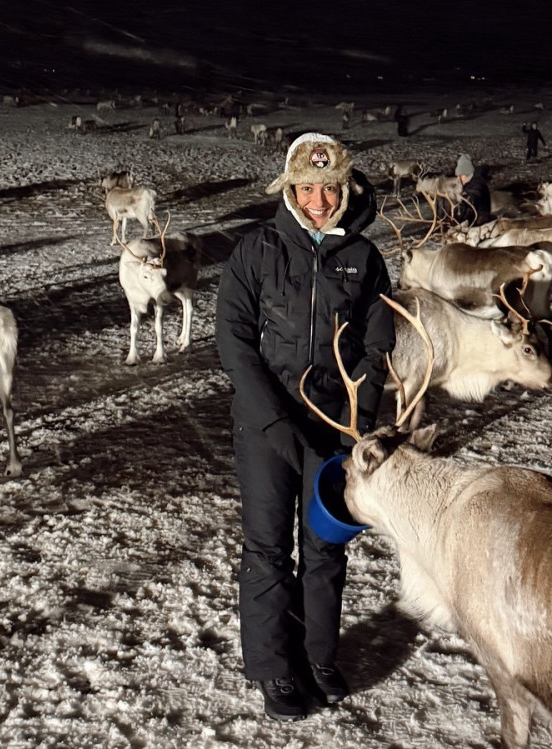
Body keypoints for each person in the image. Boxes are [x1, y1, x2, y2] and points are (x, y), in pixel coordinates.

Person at [216, 133, 396, 722]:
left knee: (326, 547)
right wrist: (271, 419)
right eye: (307, 188)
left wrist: (357, 419)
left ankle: (317, 658)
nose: (319, 200)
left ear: (345, 189)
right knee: (268, 549)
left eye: (330, 188)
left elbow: (378, 341)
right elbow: (234, 340)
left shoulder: (363, 258)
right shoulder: (256, 250)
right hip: (265, 426)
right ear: (289, 189)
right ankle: (273, 668)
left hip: (333, 426)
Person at [453, 153, 491, 226]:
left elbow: (469, 208)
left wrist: (460, 223)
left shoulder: (475, 186)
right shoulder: (473, 184)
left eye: (460, 176)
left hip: (479, 226)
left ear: (467, 173)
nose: (458, 179)